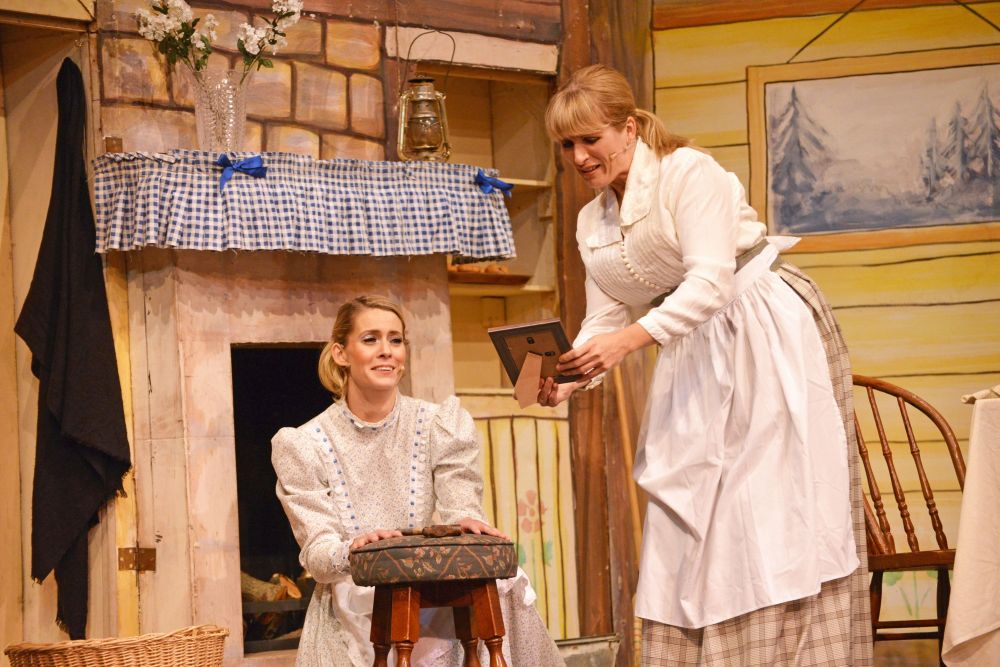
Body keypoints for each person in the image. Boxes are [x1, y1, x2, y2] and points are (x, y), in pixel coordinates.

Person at [539, 65, 873, 666]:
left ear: (629, 128)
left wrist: (627, 342)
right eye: (567, 145)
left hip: (760, 330)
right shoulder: (593, 221)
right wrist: (571, 377)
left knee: (768, 509)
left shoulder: (687, 173)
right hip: (691, 348)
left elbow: (711, 281)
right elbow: (605, 318)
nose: (579, 156)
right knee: (695, 517)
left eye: (590, 138)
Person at [271, 295, 564, 667]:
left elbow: (460, 505)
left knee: (505, 582)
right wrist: (353, 549)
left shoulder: (439, 424)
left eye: (395, 340)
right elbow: (319, 554)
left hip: (428, 592)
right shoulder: (304, 443)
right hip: (354, 598)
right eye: (370, 339)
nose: (387, 351)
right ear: (341, 353)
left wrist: (466, 523)